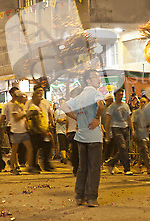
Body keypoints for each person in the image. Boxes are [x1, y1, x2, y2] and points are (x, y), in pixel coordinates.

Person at [61, 70, 105, 208]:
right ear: (88, 81)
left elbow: (64, 106)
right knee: (94, 168)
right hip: (94, 137)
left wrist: (78, 119)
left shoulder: (80, 97)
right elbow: (101, 105)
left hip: (81, 137)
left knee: (82, 168)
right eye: (95, 77)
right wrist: (97, 118)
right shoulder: (96, 93)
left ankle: (79, 196)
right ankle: (92, 198)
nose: (98, 79)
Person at [105, 89, 133, 175]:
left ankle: (111, 163)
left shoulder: (126, 106)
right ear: (115, 96)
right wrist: (107, 134)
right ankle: (127, 168)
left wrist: (132, 130)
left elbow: (129, 118)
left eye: (122, 94)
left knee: (124, 149)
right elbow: (108, 121)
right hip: (116, 128)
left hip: (125, 128)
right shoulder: (112, 107)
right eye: (119, 95)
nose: (120, 96)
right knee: (123, 147)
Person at [8, 90, 35, 175]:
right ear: (17, 97)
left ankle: (30, 166)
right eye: (21, 97)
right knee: (14, 150)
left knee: (30, 149)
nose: (23, 99)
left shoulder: (22, 106)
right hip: (16, 131)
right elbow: (16, 118)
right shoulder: (14, 106)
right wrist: (26, 114)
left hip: (23, 130)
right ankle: (12, 167)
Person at [26, 89, 53, 172]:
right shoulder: (33, 108)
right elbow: (35, 122)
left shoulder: (39, 108)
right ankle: (33, 166)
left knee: (47, 147)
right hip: (36, 132)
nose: (39, 99)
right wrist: (43, 131)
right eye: (37, 97)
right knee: (35, 150)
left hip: (42, 130)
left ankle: (45, 164)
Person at [132, 96, 150, 174]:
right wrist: (134, 132)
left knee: (142, 151)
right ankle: (148, 167)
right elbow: (133, 123)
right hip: (139, 133)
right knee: (144, 150)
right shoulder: (136, 112)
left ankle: (139, 165)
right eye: (141, 102)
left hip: (147, 134)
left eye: (144, 102)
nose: (143, 103)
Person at [54, 99, 68, 163]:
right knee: (62, 144)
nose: (62, 103)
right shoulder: (57, 111)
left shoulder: (68, 111)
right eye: (61, 102)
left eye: (63, 102)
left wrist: (64, 120)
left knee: (67, 144)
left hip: (67, 129)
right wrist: (64, 120)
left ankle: (65, 157)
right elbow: (58, 120)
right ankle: (64, 158)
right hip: (60, 130)